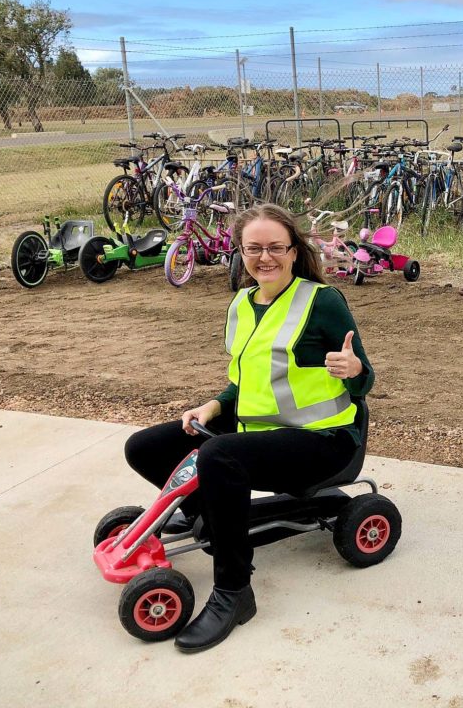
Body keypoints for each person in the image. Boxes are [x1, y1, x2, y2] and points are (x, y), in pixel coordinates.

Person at [124, 203, 374, 653]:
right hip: (257, 437)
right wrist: (213, 407)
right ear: (239, 251)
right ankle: (216, 519)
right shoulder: (241, 304)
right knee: (144, 446)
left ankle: (235, 592)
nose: (265, 257)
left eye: (276, 247)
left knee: (219, 456)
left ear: (295, 251)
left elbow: (365, 379)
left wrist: (353, 368)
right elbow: (244, 381)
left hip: (325, 442)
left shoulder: (322, 302)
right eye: (254, 248)